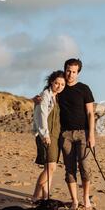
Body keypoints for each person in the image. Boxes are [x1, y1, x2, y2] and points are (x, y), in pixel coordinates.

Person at [58, 58, 96, 210]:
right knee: (70, 169)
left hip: (83, 133)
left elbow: (90, 113)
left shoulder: (84, 89)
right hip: (65, 134)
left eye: (74, 72)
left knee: (85, 167)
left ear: (78, 73)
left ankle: (86, 198)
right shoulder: (59, 87)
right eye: (68, 70)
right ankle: (74, 200)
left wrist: (91, 135)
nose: (70, 74)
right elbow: (47, 98)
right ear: (64, 69)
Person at [31, 70, 66, 202]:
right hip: (46, 135)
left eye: (62, 84)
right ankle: (35, 196)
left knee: (50, 168)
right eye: (57, 83)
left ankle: (45, 197)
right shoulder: (45, 95)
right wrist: (45, 135)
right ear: (51, 82)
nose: (59, 86)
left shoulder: (57, 97)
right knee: (50, 168)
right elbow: (42, 116)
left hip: (56, 136)